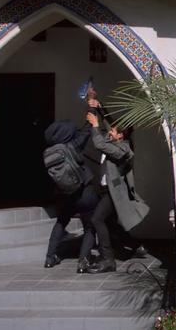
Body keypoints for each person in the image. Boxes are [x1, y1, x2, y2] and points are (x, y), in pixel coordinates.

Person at [85, 99, 149, 274]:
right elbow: (109, 126)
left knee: (97, 219)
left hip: (113, 194)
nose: (109, 132)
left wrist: (95, 125)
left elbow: (99, 143)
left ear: (120, 135)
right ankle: (137, 246)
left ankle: (108, 260)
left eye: (113, 131)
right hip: (106, 190)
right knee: (111, 224)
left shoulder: (123, 150)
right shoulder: (115, 142)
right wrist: (100, 107)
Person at [43, 119, 99, 273]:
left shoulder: (49, 152)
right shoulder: (73, 146)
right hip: (84, 192)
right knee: (89, 227)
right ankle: (83, 261)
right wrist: (92, 108)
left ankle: (49, 258)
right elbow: (86, 131)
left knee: (61, 222)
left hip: (65, 195)